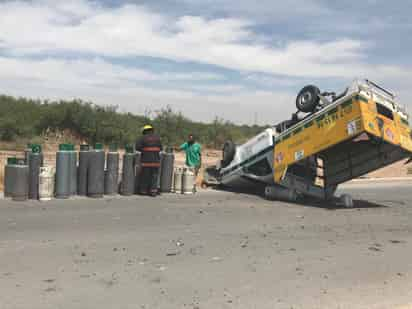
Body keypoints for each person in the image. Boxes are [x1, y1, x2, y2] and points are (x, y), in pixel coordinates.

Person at [135, 125, 163, 196]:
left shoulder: (142, 138)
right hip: (156, 161)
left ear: (144, 131)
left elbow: (137, 148)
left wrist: (144, 150)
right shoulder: (158, 138)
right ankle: (153, 191)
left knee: (145, 176)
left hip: (146, 161)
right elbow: (161, 148)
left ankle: (143, 191)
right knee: (154, 176)